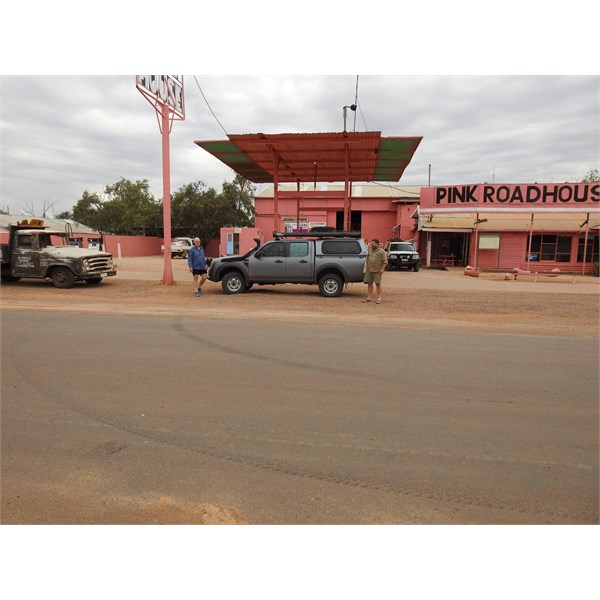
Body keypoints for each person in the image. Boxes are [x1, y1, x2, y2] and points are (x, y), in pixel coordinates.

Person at [363, 238, 387, 304]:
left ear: (377, 244)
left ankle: (379, 298)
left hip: (377, 271)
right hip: (369, 270)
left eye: (373, 244)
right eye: (371, 244)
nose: (371, 245)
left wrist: (382, 269)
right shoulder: (370, 250)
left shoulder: (381, 251)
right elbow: (367, 258)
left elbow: (385, 261)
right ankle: (369, 297)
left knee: (378, 284)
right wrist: (367, 265)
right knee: (369, 284)